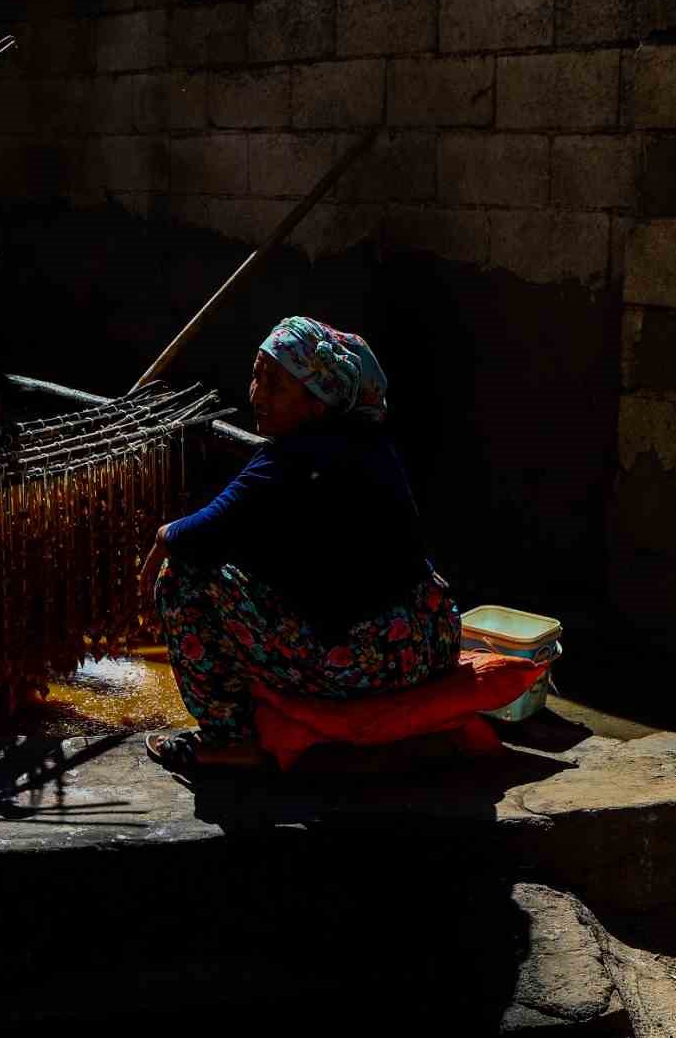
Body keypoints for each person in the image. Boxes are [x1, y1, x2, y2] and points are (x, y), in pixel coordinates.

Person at [140, 316, 461, 774]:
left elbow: (194, 536)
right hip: (432, 639)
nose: (256, 395)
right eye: (256, 375)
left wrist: (160, 540)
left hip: (366, 662)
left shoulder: (286, 459)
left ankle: (227, 740)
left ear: (316, 404)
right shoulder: (373, 442)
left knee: (181, 579)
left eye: (275, 385)